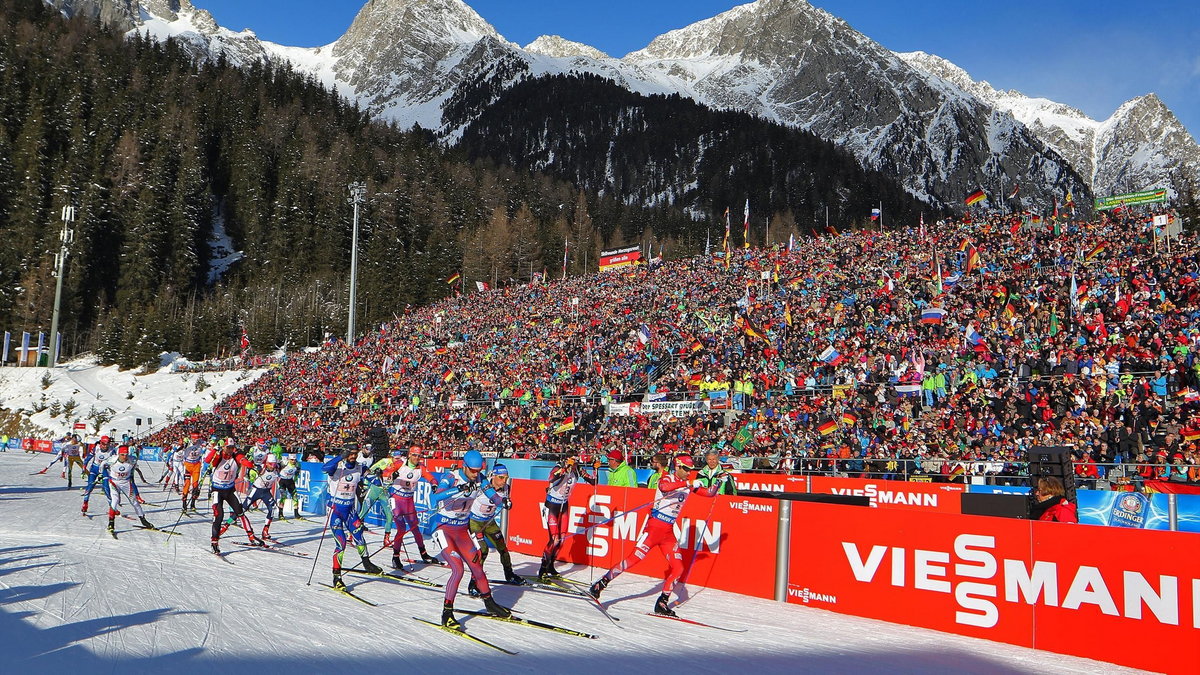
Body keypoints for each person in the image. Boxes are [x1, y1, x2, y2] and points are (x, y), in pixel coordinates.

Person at [589, 454, 727, 616]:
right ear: (678, 467)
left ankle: (662, 603)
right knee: (633, 559)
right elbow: (664, 487)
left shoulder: (688, 484)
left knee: (678, 568)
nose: (689, 473)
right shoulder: (667, 478)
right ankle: (600, 584)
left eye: (691, 471)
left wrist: (719, 481)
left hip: (668, 533)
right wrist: (689, 482)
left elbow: (709, 493)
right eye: (687, 470)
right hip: (653, 529)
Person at [429, 450, 510, 628]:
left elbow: (492, 495)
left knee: (477, 566)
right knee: (458, 570)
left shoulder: (480, 478)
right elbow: (434, 496)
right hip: (444, 528)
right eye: (472, 470)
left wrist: (502, 501)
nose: (475, 474)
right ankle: (447, 613)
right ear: (464, 466)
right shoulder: (451, 477)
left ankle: (489, 603)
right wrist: (458, 489)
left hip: (461, 530)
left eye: (478, 470)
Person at [324, 447, 383, 589]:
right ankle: (336, 577)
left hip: (350, 510)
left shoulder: (360, 468)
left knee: (359, 535)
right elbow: (324, 468)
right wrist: (340, 456)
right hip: (335, 511)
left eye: (354, 454)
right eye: (350, 453)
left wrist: (380, 476)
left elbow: (376, 482)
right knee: (341, 543)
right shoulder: (337, 467)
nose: (352, 456)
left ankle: (367, 563)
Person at [539, 449, 597, 579]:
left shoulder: (578, 470)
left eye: (576, 461)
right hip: (552, 505)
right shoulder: (559, 467)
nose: (575, 463)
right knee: (554, 539)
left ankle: (551, 565)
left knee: (562, 539)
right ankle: (542, 568)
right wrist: (565, 468)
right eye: (573, 460)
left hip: (564, 505)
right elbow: (552, 479)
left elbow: (593, 481)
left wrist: (595, 469)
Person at [467, 463, 524, 592]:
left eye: (506, 477)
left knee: (502, 547)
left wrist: (508, 504)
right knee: (483, 550)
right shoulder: (483, 487)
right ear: (493, 476)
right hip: (475, 522)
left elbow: (505, 501)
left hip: (489, 522)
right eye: (500, 477)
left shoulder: (506, 488)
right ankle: (473, 582)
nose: (503, 481)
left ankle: (509, 574)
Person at [386, 446, 440, 568]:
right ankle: (395, 557)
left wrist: (434, 484)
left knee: (415, 527)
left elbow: (432, 478)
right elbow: (385, 472)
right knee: (401, 529)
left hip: (408, 501)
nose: (416, 458)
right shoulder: (400, 464)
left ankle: (424, 554)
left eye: (418, 456)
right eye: (414, 455)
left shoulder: (420, 468)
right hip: (396, 500)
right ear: (409, 455)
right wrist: (391, 475)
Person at [204, 441, 259, 553]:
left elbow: (245, 462)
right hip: (217, 490)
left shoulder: (236, 455)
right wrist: (215, 449)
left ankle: (251, 535)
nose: (230, 450)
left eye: (232, 447)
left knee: (240, 512)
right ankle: (214, 541)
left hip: (230, 490)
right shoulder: (219, 456)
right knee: (218, 515)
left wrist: (250, 464)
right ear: (223, 447)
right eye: (228, 447)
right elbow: (208, 461)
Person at [104, 445, 157, 535]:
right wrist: (104, 475)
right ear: (118, 454)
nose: (125, 457)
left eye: (126, 454)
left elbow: (134, 466)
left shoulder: (132, 460)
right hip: (114, 482)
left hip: (126, 483)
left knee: (135, 502)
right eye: (122, 455)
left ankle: (143, 520)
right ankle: (111, 523)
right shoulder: (112, 460)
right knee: (115, 500)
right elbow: (102, 465)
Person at [227, 454, 280, 541]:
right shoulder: (260, 468)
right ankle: (226, 525)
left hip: (266, 492)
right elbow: (249, 469)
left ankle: (265, 531)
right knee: (242, 510)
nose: (273, 466)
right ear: (266, 463)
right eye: (271, 464)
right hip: (256, 491)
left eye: (274, 464)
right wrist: (249, 475)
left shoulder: (277, 468)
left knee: (272, 508)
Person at [361, 452, 397, 546]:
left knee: (389, 516)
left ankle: (386, 539)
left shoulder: (400, 465)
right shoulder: (385, 461)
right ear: (392, 457)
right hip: (374, 490)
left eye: (399, 458)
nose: (397, 460)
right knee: (363, 513)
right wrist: (375, 474)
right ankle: (350, 534)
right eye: (396, 458)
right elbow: (369, 471)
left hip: (384, 493)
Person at [81, 436, 118, 515]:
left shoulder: (112, 451)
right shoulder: (96, 448)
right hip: (95, 468)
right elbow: (88, 458)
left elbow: (115, 463)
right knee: (90, 485)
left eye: (107, 444)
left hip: (105, 469)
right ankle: (85, 503)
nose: (105, 446)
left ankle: (112, 508)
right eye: (103, 444)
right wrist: (84, 468)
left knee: (106, 488)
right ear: (100, 443)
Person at [180, 435, 207, 514]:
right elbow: (181, 448)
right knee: (187, 485)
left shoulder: (201, 442)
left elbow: (210, 444)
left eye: (196, 439)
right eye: (193, 439)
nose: (195, 440)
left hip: (196, 466)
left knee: (195, 485)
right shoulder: (187, 443)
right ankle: (184, 504)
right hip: (188, 466)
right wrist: (184, 445)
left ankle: (192, 504)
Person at [277, 454, 301, 519]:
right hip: (282, 481)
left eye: (294, 460)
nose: (293, 461)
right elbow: (276, 467)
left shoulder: (297, 464)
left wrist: (295, 478)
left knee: (295, 496)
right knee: (283, 496)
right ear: (289, 459)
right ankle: (280, 513)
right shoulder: (284, 463)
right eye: (292, 460)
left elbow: (297, 472)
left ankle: (296, 514)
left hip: (290, 481)